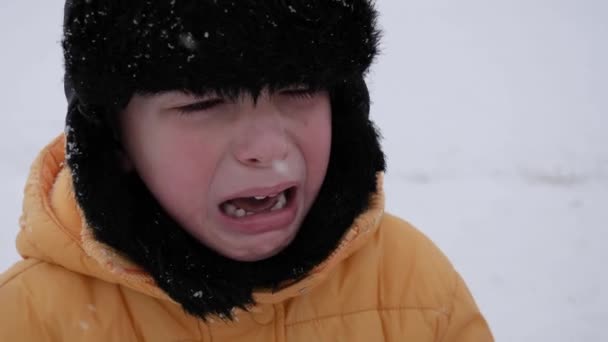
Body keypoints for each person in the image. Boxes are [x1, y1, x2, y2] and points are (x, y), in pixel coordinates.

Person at [0, 1, 493, 340]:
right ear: (116, 140)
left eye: (298, 88)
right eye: (203, 104)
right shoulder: (30, 319)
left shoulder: (412, 287)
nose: (267, 147)